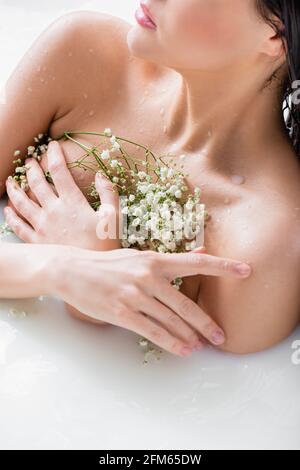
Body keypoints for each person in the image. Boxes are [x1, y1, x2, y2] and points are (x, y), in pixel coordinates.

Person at [1, 0, 300, 354]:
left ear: (274, 34)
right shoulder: (84, 55)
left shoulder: (264, 247)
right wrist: (65, 269)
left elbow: (198, 396)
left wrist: (95, 299)